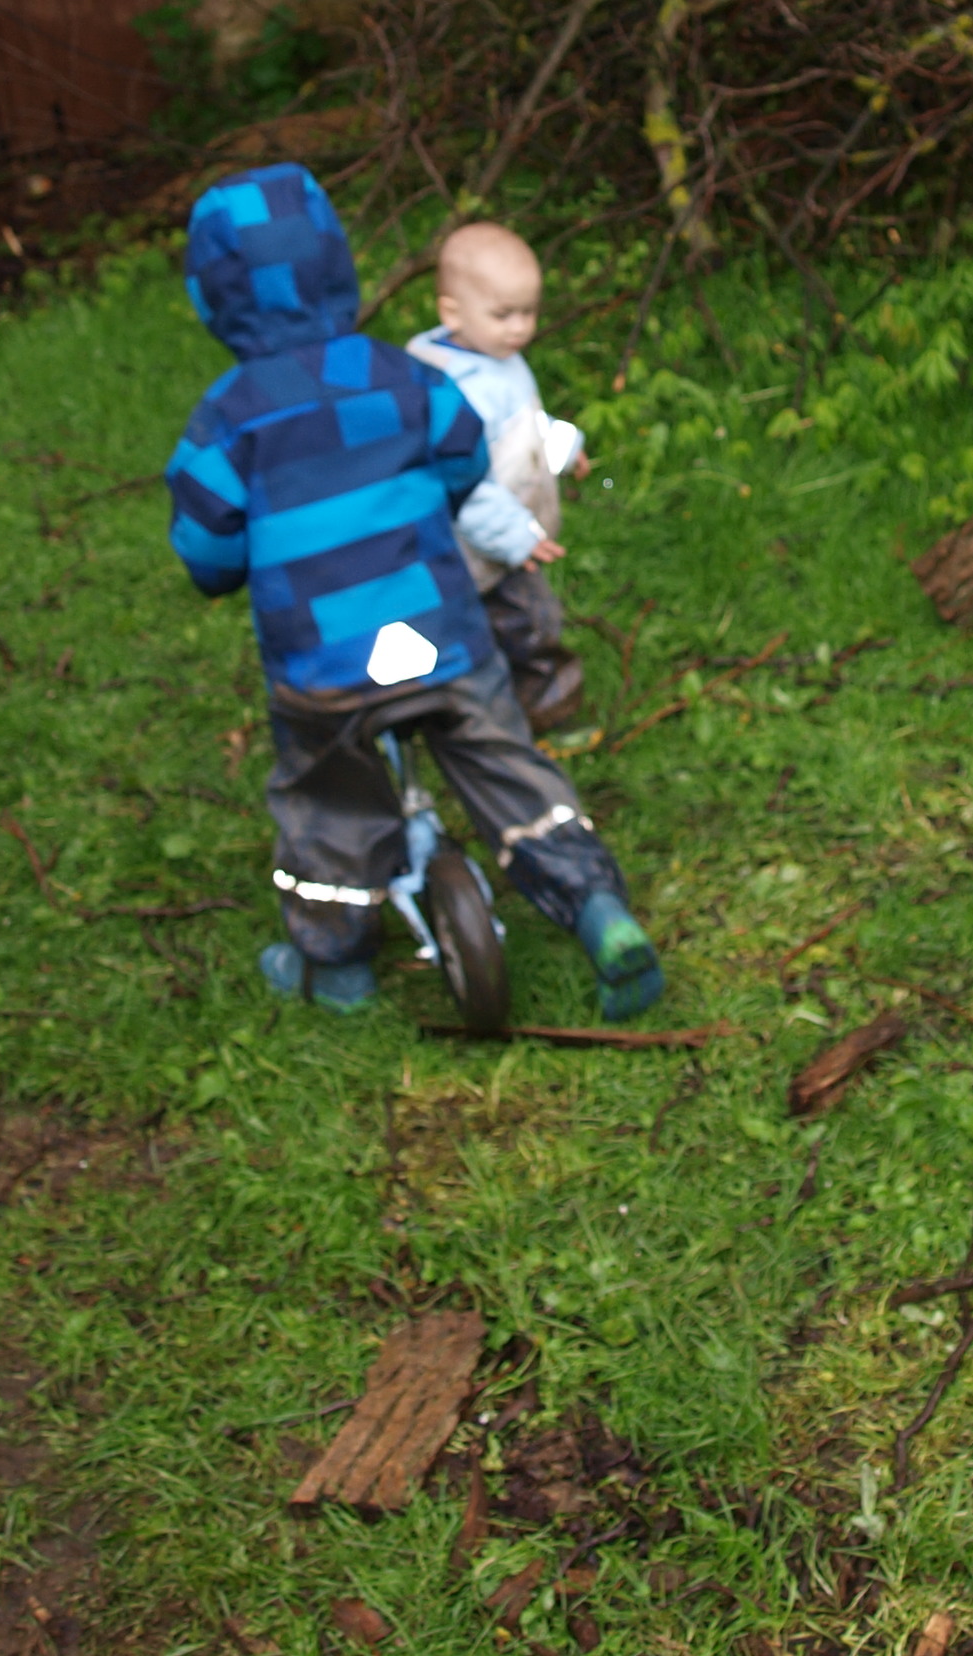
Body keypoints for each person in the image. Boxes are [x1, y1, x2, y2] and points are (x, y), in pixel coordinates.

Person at [162, 165, 664, 1019]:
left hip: (326, 661)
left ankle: (336, 963)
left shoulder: (227, 419)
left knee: (329, 797)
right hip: (437, 633)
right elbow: (464, 457)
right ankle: (595, 907)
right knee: (501, 759)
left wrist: (228, 567)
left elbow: (207, 542)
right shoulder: (401, 375)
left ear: (213, 298)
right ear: (338, 270)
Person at [406, 220, 586, 729]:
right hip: (476, 546)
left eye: (529, 312)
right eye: (504, 314)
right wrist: (513, 538)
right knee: (529, 623)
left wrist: (565, 446)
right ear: (452, 312)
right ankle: (537, 711)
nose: (520, 328)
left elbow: (521, 426)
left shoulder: (496, 356)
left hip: (507, 535)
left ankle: (493, 708)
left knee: (499, 623)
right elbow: (459, 481)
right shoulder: (451, 387)